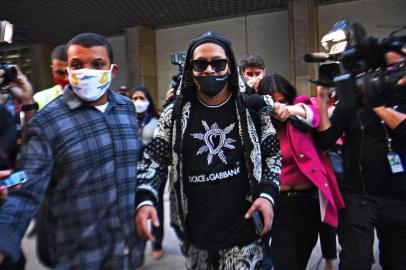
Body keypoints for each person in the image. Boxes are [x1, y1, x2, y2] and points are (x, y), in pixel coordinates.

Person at [135, 31, 281, 269]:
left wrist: (267, 196)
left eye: (218, 63)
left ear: (230, 67)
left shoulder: (251, 109)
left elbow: (273, 155)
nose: (210, 70)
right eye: (201, 64)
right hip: (196, 239)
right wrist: (146, 199)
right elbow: (154, 160)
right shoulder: (174, 115)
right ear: (190, 70)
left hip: (244, 237)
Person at [0, 32, 144, 269]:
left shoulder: (126, 109)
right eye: (77, 65)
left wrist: (145, 202)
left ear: (113, 70)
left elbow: (134, 165)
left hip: (127, 252)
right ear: (67, 71)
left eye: (97, 65)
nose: (86, 72)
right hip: (80, 257)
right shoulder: (47, 122)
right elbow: (26, 188)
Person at [315, 51, 406, 270]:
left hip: (399, 198)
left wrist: (373, 100)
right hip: (358, 195)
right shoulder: (351, 104)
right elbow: (326, 139)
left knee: (398, 261)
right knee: (355, 261)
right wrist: (322, 100)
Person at [257, 74, 344, 270]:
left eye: (283, 101)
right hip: (278, 203)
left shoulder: (299, 115)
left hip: (308, 203)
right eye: (273, 102)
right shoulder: (259, 125)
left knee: (301, 258)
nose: (278, 107)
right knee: (284, 261)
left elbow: (313, 112)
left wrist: (289, 110)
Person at [130, 84, 163, 259]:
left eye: (142, 98)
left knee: (156, 208)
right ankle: (139, 248)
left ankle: (157, 242)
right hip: (133, 170)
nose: (138, 102)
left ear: (148, 100)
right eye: (134, 98)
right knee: (138, 208)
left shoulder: (156, 120)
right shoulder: (127, 120)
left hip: (155, 169)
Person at [33, 44, 69, 110]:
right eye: (60, 73)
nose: (66, 78)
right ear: (52, 70)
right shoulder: (40, 98)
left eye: (70, 72)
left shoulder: (92, 98)